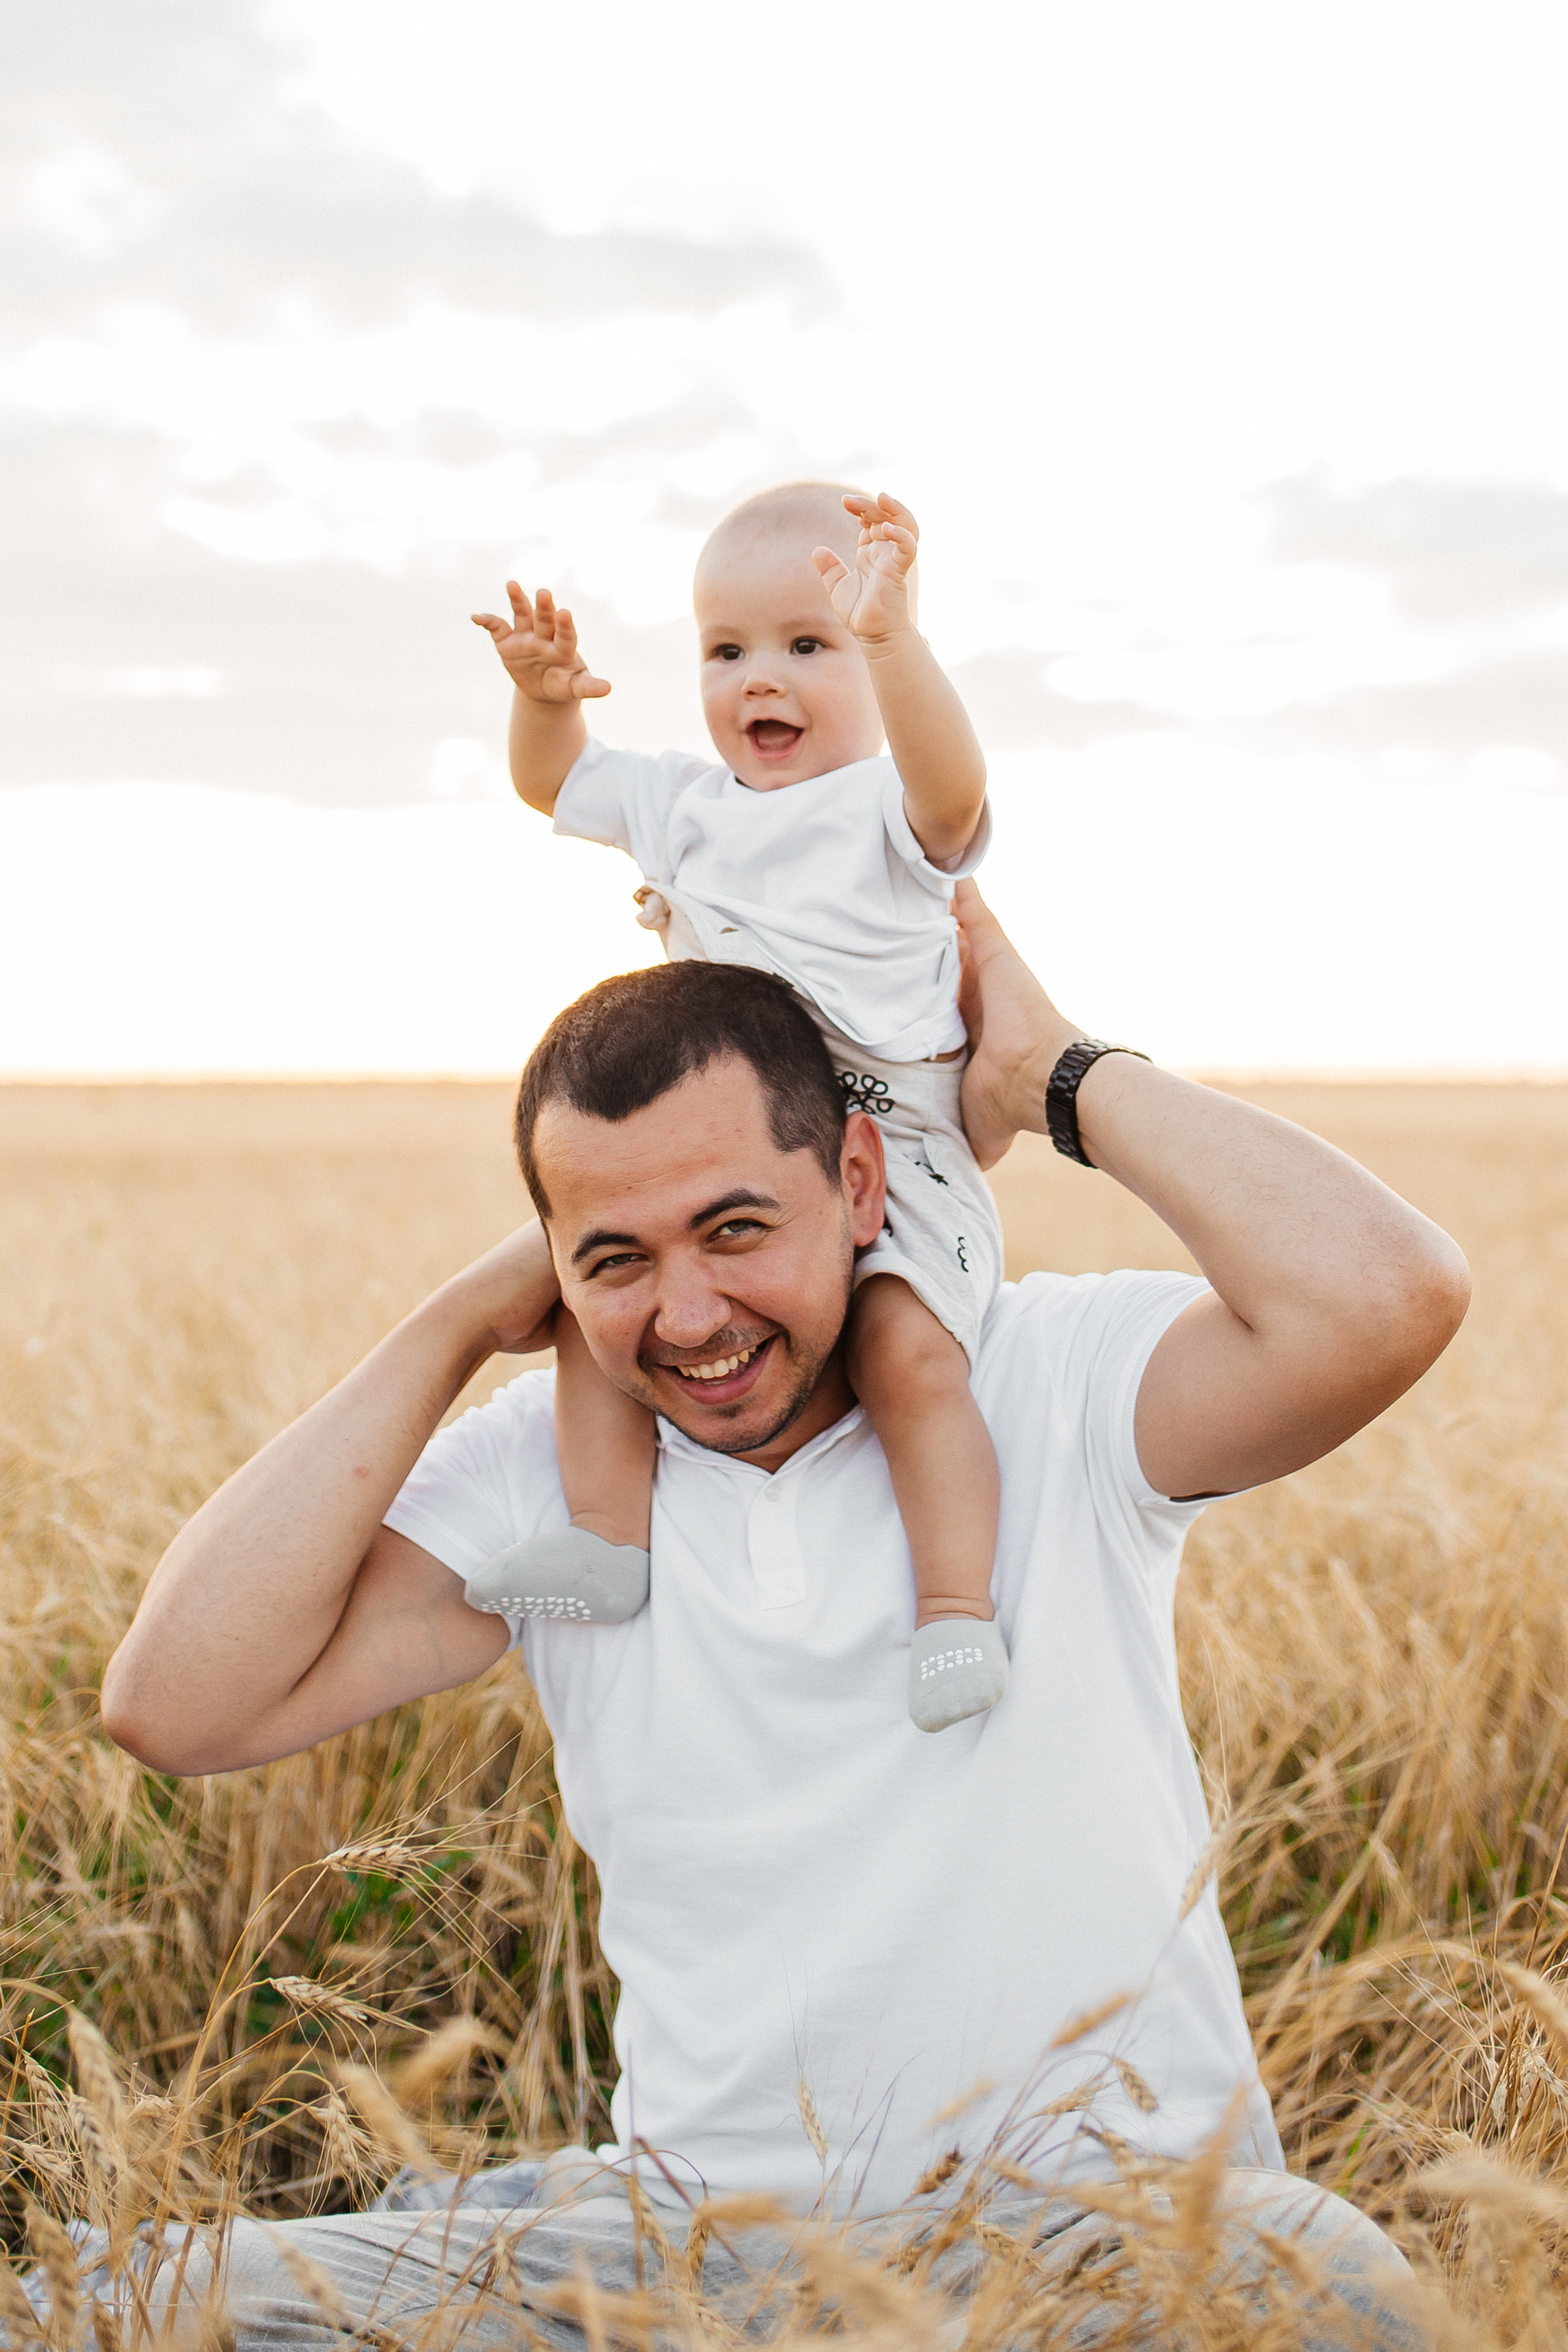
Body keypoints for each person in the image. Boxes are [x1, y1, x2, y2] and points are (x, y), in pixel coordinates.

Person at [99, 888, 1466, 2344]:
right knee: (119, 2303)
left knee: (1316, 2273)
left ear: (861, 1184)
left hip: (1105, 2243)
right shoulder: (544, 1485)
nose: (688, 1317)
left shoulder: (1045, 1385)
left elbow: (1384, 1297)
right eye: (615, 1259)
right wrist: (451, 1327)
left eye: (733, 1229)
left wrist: (1051, 1075)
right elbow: (177, 1705)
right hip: (690, 2264)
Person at [466, 484, 1010, 1732]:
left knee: (907, 1353)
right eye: (726, 652)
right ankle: (607, 1541)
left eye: (809, 645)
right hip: (722, 1153)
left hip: (897, 1146)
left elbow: (952, 789)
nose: (760, 678)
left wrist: (893, 641)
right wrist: (543, 701)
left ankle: (953, 1612)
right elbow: (554, 783)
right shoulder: (682, 807)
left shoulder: (884, 810)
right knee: (604, 1310)